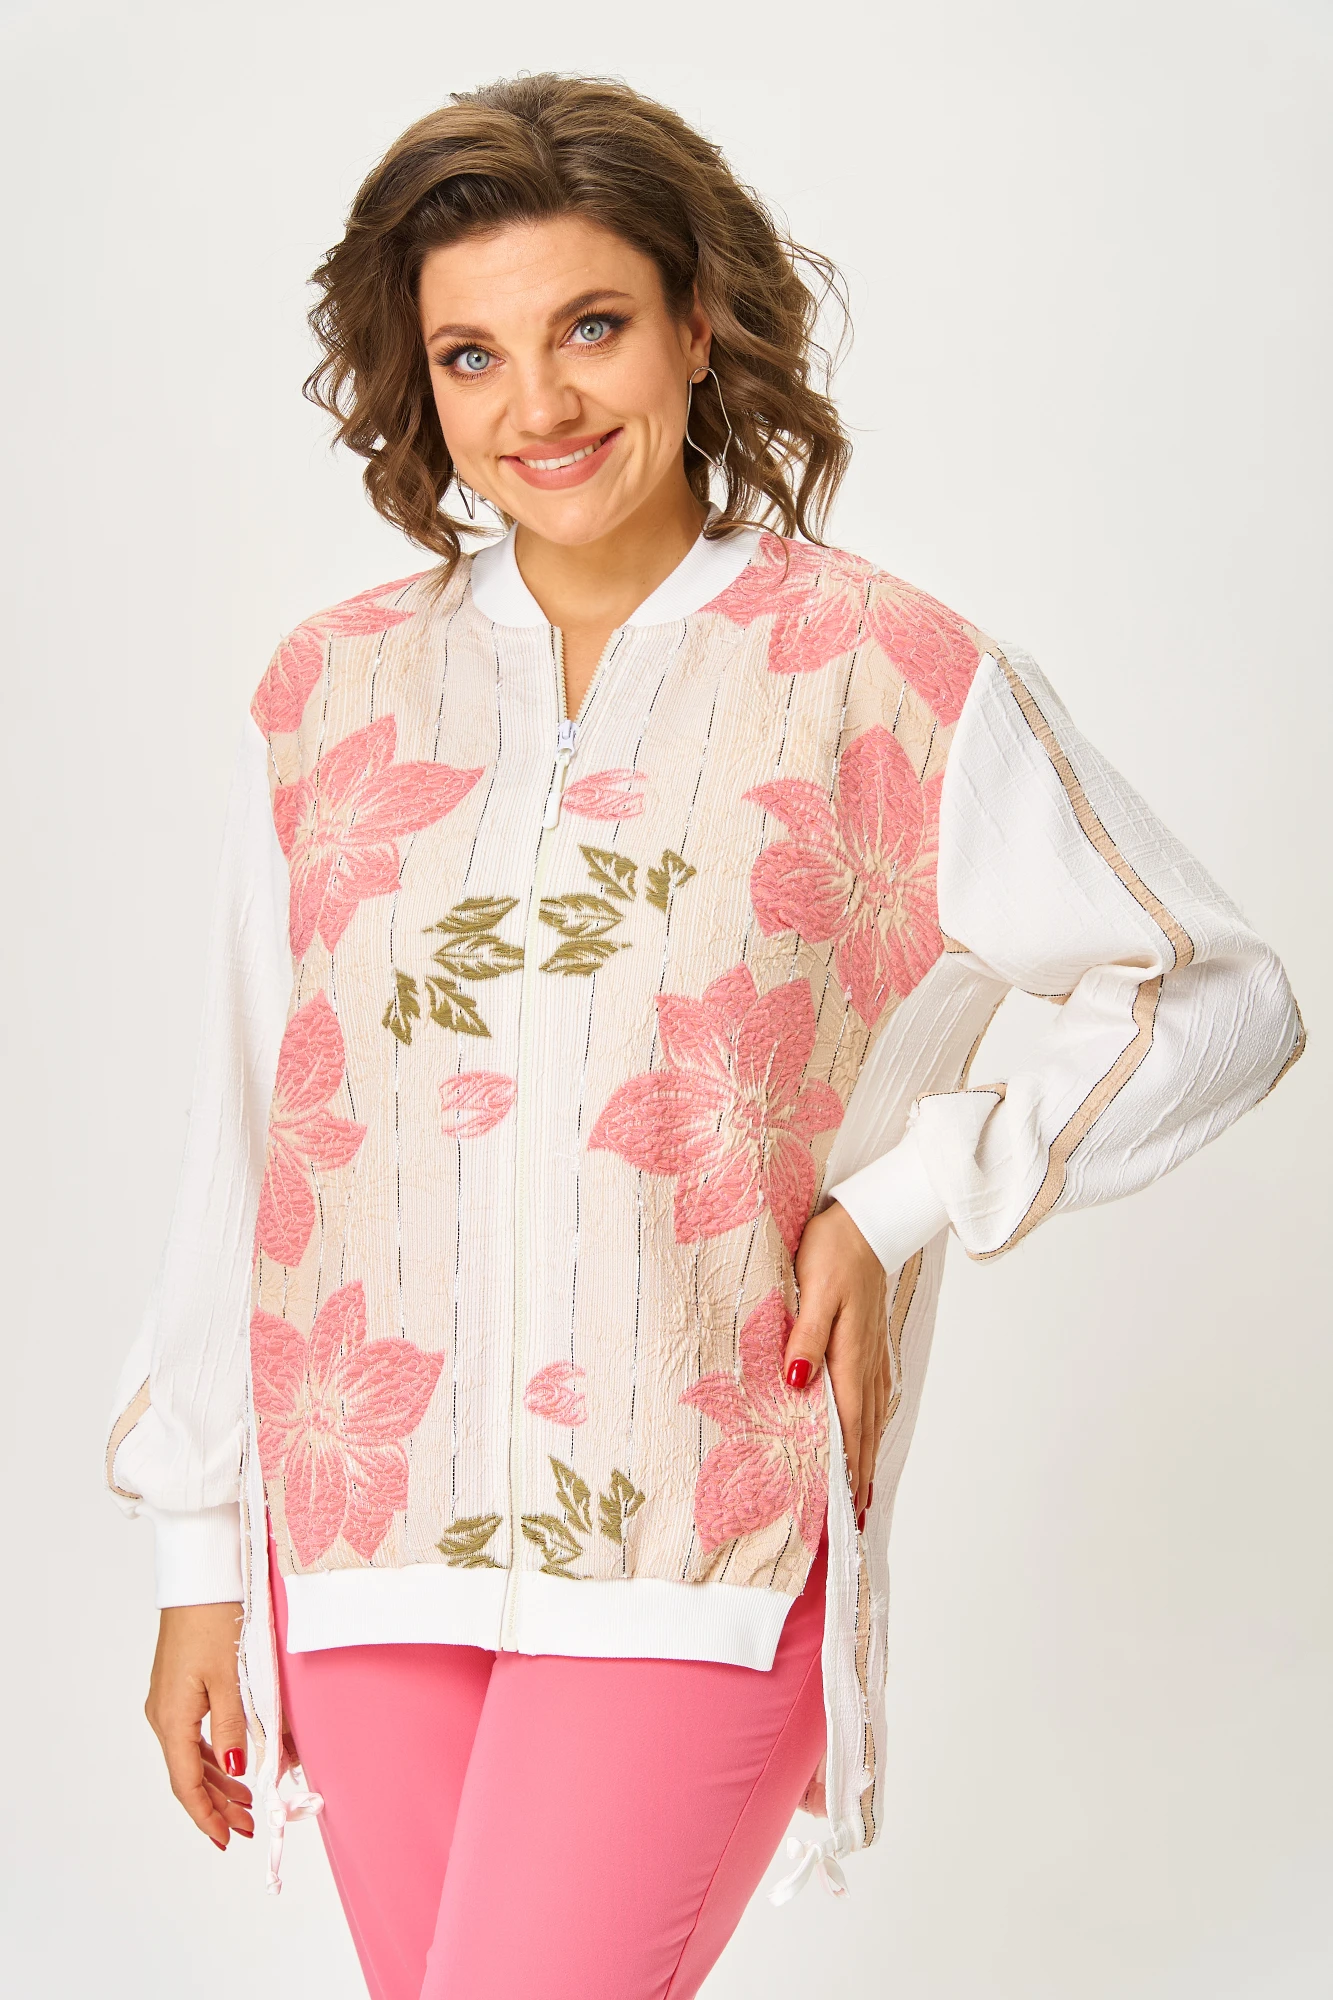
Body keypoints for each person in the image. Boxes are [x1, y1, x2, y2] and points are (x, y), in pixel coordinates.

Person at [104, 71, 1304, 2000]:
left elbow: (1216, 993)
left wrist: (899, 1203)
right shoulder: (331, 693)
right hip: (363, 1546)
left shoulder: (877, 670)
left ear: (697, 322)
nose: (538, 405)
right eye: (472, 355)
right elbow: (252, 1126)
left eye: (590, 326)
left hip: (698, 1528)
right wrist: (192, 1559)